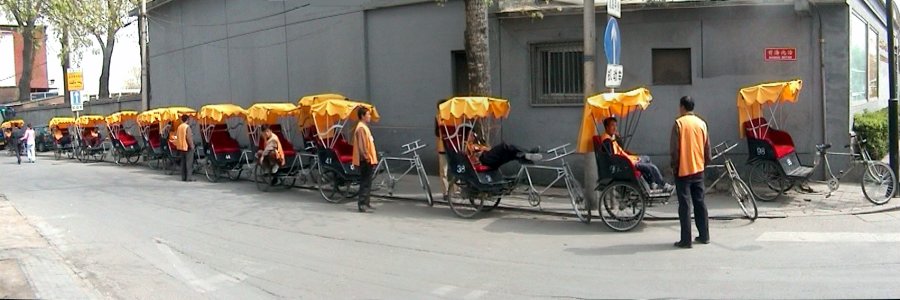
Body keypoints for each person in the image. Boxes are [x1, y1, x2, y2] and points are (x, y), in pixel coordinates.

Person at [669, 96, 711, 249]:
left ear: (682, 107)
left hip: (683, 170)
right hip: (698, 170)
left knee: (685, 206)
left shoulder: (678, 124)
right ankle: (704, 236)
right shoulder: (702, 124)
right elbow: (707, 148)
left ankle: (686, 240)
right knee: (700, 203)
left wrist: (674, 166)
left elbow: (674, 150)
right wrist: (704, 164)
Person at [599, 117, 673, 193]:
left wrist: (618, 137)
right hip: (625, 163)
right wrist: (631, 160)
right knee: (652, 167)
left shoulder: (612, 138)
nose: (615, 128)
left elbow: (621, 148)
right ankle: (664, 185)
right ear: (607, 127)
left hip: (626, 159)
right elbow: (613, 157)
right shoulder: (607, 140)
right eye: (612, 125)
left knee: (646, 158)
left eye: (615, 125)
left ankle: (651, 182)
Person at [466, 133, 542, 171]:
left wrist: (484, 147)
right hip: (483, 160)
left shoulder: (477, 144)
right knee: (503, 146)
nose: (473, 136)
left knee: (510, 154)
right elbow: (470, 156)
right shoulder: (467, 145)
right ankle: (527, 153)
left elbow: (488, 148)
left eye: (473, 135)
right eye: (471, 135)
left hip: (490, 159)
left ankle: (524, 156)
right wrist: (480, 151)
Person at [353, 106, 377, 213]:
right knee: (365, 182)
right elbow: (362, 146)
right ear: (362, 116)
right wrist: (367, 157)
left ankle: (366, 202)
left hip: (369, 159)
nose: (370, 116)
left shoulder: (364, 127)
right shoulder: (361, 128)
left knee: (368, 182)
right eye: (368, 114)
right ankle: (362, 204)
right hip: (365, 160)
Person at [435, 99, 450, 200]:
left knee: (443, 171)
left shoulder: (438, 117)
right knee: (457, 169)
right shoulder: (453, 116)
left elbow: (436, 132)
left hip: (443, 147)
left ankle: (446, 192)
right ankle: (456, 190)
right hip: (453, 147)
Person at [172, 115, 195, 182]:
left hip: (181, 147)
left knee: (183, 163)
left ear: (182, 120)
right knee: (189, 163)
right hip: (187, 147)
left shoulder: (179, 127)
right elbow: (189, 138)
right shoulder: (187, 127)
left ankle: (183, 177)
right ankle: (189, 178)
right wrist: (192, 146)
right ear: (187, 119)